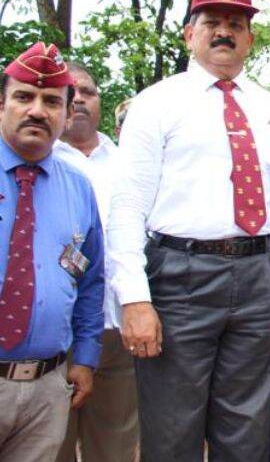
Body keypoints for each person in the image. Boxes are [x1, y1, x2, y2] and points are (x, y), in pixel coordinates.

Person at [106, 0, 270, 461]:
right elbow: (127, 207)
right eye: (212, 22)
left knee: (246, 432)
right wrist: (134, 299)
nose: (224, 32)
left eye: (235, 24)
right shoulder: (156, 104)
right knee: (173, 430)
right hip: (181, 278)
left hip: (260, 278)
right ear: (188, 34)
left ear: (250, 38)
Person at [0, 43, 104, 462]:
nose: (38, 111)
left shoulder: (78, 187)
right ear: (2, 103)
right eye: (24, 97)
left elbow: (91, 280)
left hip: (48, 385)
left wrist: (86, 358)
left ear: (65, 112)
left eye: (51, 101)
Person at [54, 62, 138, 462]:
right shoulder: (39, 162)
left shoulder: (128, 164)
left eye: (88, 91)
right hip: (55, 332)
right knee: (52, 444)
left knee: (116, 444)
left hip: (119, 325)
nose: (80, 100)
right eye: (70, 93)